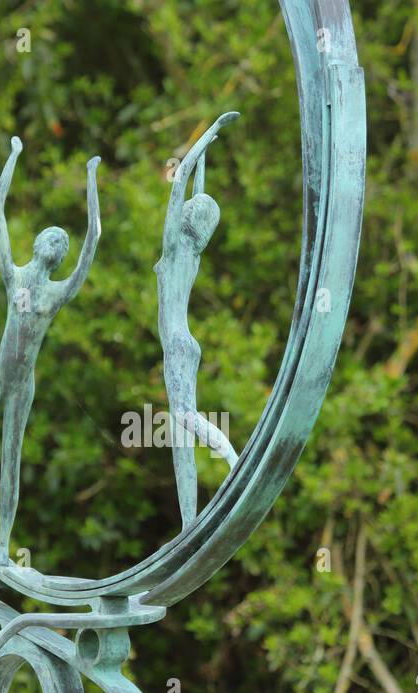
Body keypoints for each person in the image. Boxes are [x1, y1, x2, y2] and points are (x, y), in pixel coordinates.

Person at [0, 136, 101, 557]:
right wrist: (14, 156)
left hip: (22, 387)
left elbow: (93, 240)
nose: (59, 246)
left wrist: (90, 179)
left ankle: (3, 541)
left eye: (63, 246)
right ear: (36, 244)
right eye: (53, 239)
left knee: (10, 465)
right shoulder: (14, 277)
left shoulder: (56, 295)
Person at [155, 112, 240, 529]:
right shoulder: (192, 251)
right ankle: (189, 522)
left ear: (187, 218)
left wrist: (211, 133)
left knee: (186, 419)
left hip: (175, 341)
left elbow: (183, 179)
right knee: (178, 438)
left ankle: (230, 458)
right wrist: (208, 149)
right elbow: (198, 190)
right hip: (185, 341)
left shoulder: (173, 248)